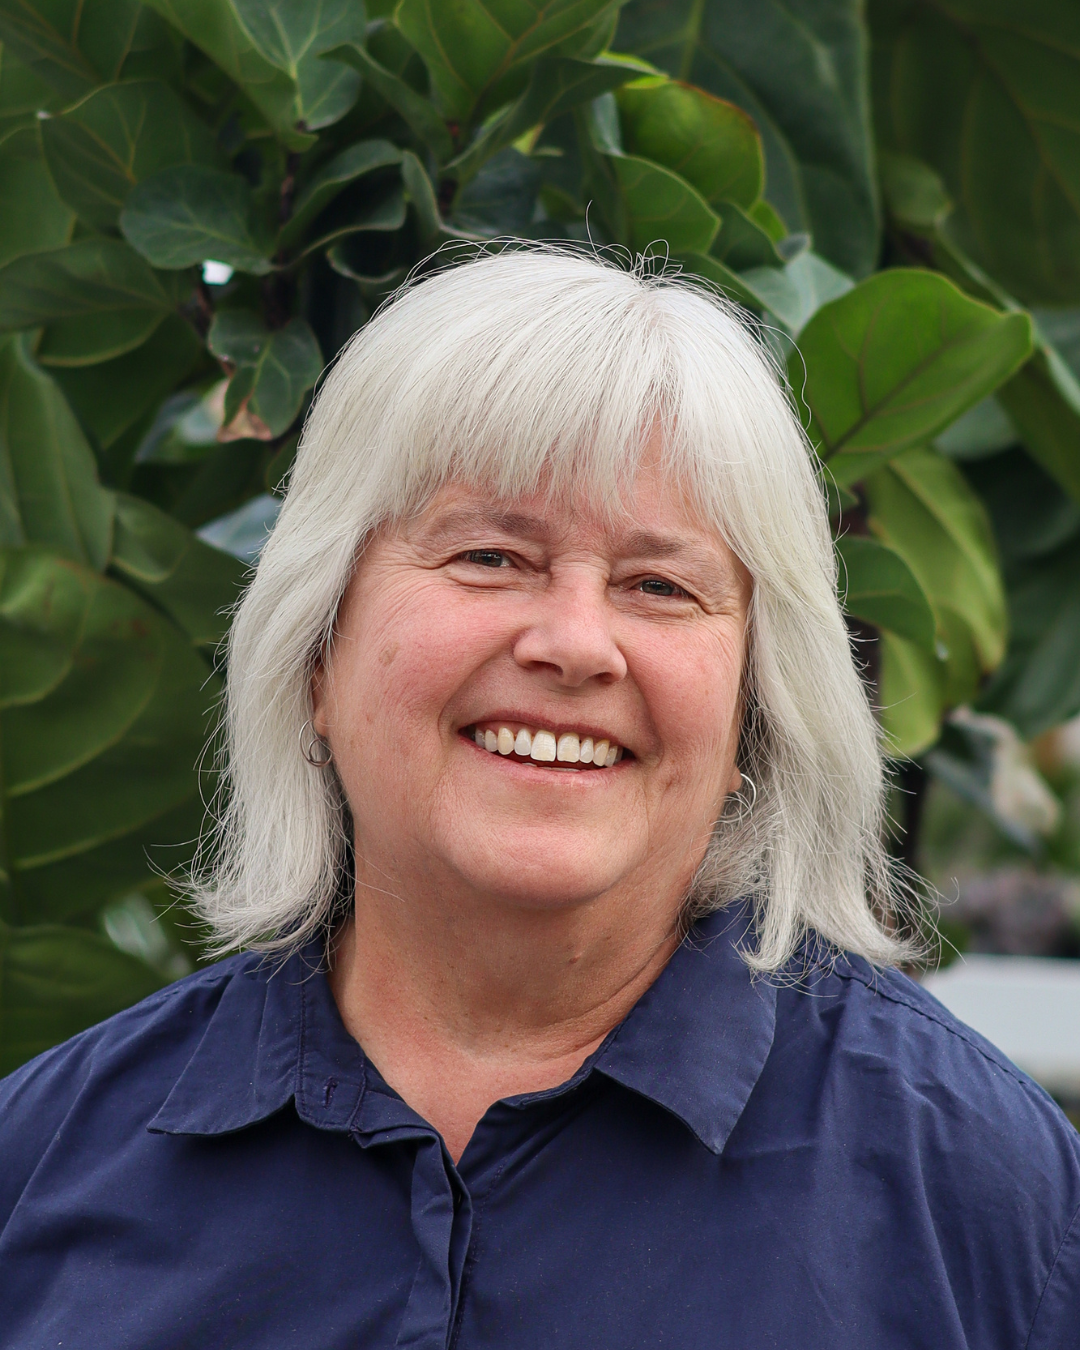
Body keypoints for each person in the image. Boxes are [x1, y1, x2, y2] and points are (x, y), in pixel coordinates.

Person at [1, 247, 1077, 1349]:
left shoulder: (988, 1202)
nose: (573, 644)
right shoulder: (40, 1172)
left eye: (660, 585)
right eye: (489, 556)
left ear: (755, 709)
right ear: (317, 653)